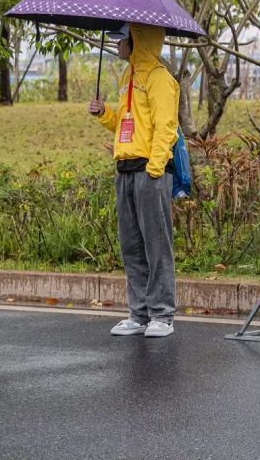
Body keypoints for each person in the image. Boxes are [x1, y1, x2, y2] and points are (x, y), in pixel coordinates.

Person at [88, 23, 180, 338]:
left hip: (150, 172)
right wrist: (104, 113)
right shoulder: (128, 76)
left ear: (136, 40)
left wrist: (155, 168)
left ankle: (162, 315)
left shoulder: (159, 78)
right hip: (125, 169)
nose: (117, 45)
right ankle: (139, 314)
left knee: (156, 244)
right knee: (132, 246)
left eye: (121, 39)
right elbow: (127, 124)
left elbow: (166, 126)